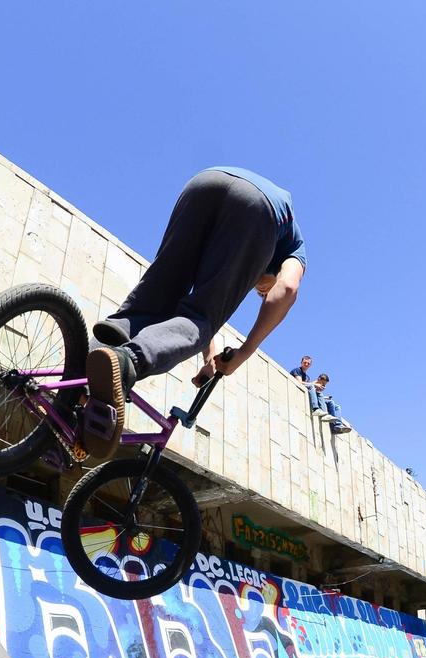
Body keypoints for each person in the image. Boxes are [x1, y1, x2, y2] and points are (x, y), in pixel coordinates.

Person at [85, 166, 306, 456]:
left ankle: (79, 376)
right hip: (257, 209)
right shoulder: (295, 246)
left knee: (157, 292)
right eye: (261, 291)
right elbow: (287, 289)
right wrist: (244, 353)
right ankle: (128, 360)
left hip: (204, 182)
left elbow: (195, 306)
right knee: (201, 318)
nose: (260, 291)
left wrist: (208, 356)